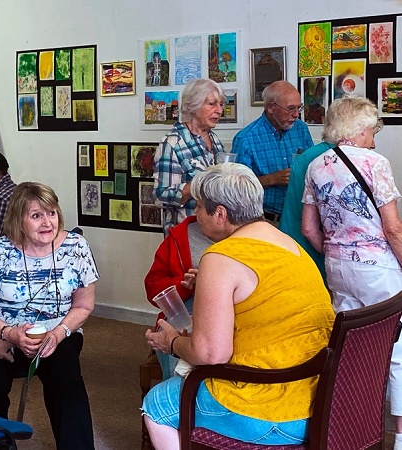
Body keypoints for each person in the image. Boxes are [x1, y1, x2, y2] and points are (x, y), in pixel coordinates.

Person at [142, 163, 334, 448]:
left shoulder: (220, 257)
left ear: (220, 213)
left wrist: (170, 342)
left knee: (157, 405)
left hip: (266, 409)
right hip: (320, 398)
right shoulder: (290, 244)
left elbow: (210, 354)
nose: (195, 214)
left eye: (199, 207)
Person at [0, 182, 99, 449]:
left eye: (51, 213)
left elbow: (83, 306)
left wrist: (58, 334)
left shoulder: (76, 247)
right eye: (36, 215)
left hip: (56, 331)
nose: (47, 222)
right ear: (18, 220)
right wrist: (7, 333)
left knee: (67, 378)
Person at [301, 96, 402, 448]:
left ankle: (346, 425)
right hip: (378, 271)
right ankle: (401, 437)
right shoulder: (375, 162)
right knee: (398, 351)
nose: (374, 136)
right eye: (373, 128)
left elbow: (310, 229)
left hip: (338, 268)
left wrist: (338, 253)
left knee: (348, 347)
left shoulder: (317, 165)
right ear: (359, 129)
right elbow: (393, 230)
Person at [233, 80, 314, 222]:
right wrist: (272, 179)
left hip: (300, 216)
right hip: (266, 220)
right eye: (290, 108)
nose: (296, 115)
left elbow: (313, 165)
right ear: (271, 108)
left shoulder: (301, 129)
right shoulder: (246, 139)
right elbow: (237, 187)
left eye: (299, 108)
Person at [154, 78, 226, 234]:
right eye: (212, 104)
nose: (219, 110)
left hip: (216, 234)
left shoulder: (215, 140)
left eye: (221, 104)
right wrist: (198, 185)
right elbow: (161, 197)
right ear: (193, 106)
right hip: (186, 234)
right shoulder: (172, 143)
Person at [143, 215, 212, 379]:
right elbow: (153, 289)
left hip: (232, 310)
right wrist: (183, 283)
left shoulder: (250, 238)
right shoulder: (179, 236)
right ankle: (178, 398)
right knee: (174, 342)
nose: (195, 210)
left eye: (201, 205)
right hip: (181, 309)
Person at [279, 138, 332, 283]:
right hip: (308, 244)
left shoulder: (309, 150)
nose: (373, 144)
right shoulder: (329, 159)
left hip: (295, 237)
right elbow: (309, 230)